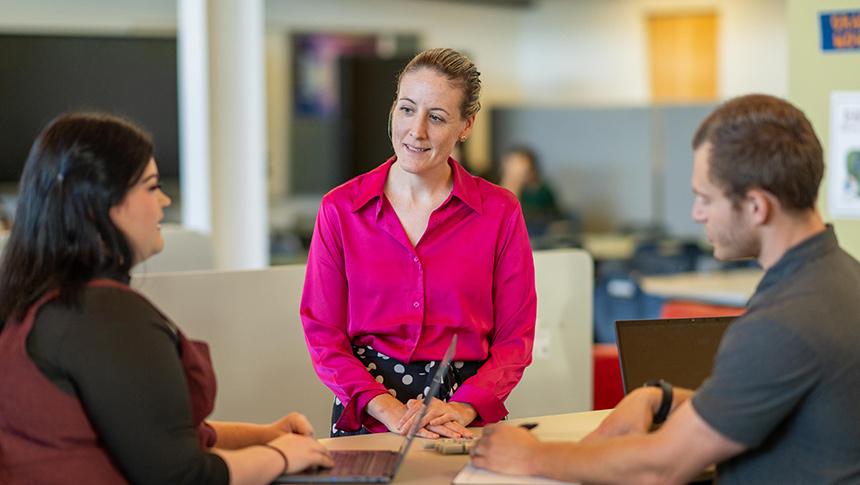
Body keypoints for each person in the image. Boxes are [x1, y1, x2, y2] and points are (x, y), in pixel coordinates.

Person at [471, 94, 860, 483]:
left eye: (705, 198)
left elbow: (660, 467)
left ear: (757, 207)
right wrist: (661, 399)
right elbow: (761, 400)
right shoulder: (837, 280)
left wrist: (531, 456)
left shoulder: (784, 322)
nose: (697, 213)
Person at [0, 113, 334, 484]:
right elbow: (180, 475)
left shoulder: (39, 299)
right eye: (150, 186)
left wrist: (264, 436)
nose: (164, 200)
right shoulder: (105, 315)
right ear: (99, 205)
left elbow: (148, 435)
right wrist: (279, 457)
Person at [300, 48, 537, 439]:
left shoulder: (499, 212)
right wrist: (389, 410)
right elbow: (323, 334)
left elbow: (516, 338)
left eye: (437, 117)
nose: (417, 130)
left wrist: (462, 408)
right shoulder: (340, 209)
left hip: (463, 413)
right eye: (407, 109)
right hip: (369, 408)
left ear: (466, 125)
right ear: (393, 109)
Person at [499, 146, 563, 235]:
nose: (518, 170)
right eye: (514, 163)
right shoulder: (489, 191)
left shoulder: (540, 193)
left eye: (524, 169)